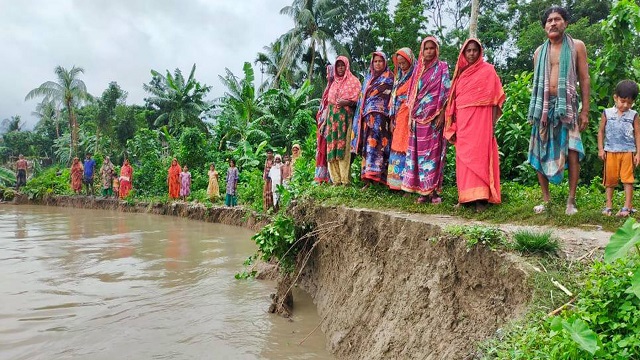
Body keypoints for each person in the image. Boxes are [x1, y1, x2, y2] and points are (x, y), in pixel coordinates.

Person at [528, 6, 590, 215]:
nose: (553, 23)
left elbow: (584, 78)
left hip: (567, 108)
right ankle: (546, 200)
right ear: (544, 26)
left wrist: (585, 111)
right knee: (539, 152)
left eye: (557, 19)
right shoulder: (538, 52)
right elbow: (538, 83)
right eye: (549, 21)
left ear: (566, 23)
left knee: (572, 151)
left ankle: (570, 201)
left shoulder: (577, 46)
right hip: (543, 109)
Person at [444, 39, 505, 212]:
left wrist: (492, 124)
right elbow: (453, 102)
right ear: (463, 53)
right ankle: (465, 198)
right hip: (463, 120)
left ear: (480, 52)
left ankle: (481, 199)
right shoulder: (460, 74)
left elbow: (495, 100)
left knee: (480, 157)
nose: (471, 54)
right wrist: (452, 124)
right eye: (468, 51)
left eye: (474, 50)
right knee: (463, 158)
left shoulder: (489, 71)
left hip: (482, 120)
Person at [402, 37, 451, 204]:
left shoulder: (443, 68)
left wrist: (442, 114)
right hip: (418, 119)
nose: (429, 51)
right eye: (426, 48)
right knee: (419, 156)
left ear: (436, 49)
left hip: (435, 119)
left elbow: (446, 93)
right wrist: (411, 118)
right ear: (421, 51)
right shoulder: (417, 70)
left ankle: (435, 192)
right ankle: (423, 192)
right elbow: (412, 94)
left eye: (432, 48)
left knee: (435, 155)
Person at [352, 52, 395, 187]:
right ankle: (368, 179)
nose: (378, 64)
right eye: (375, 62)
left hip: (382, 121)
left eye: (380, 61)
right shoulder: (368, 79)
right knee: (368, 148)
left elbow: (393, 99)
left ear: (385, 63)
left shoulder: (390, 78)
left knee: (381, 147)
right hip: (367, 121)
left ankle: (380, 179)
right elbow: (361, 100)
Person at [598, 80, 640, 217]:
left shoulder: (633, 115)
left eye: (629, 102)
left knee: (628, 180)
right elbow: (601, 131)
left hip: (628, 151)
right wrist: (600, 148)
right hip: (610, 151)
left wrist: (638, 153)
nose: (625, 105)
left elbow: (637, 134)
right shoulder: (607, 113)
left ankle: (627, 207)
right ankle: (608, 206)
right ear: (615, 97)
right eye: (622, 101)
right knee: (610, 181)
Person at [326, 56, 361, 186]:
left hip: (345, 120)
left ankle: (345, 180)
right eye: (338, 65)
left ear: (347, 66)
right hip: (332, 121)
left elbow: (359, 100)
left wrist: (347, 102)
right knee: (332, 149)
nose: (340, 68)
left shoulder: (354, 81)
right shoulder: (333, 83)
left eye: (342, 65)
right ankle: (336, 180)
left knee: (344, 149)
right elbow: (329, 103)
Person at [386, 47, 416, 190]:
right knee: (396, 146)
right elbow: (393, 98)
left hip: (409, 116)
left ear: (410, 61)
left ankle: (407, 184)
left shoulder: (415, 77)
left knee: (407, 147)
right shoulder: (398, 78)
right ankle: (395, 183)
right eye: (399, 63)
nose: (402, 66)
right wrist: (392, 119)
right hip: (397, 117)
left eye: (404, 63)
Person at [315, 65, 334, 184]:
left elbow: (329, 106)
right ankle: (321, 178)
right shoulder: (327, 87)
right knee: (321, 149)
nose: (328, 76)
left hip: (328, 123)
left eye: (329, 73)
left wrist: (324, 122)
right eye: (327, 74)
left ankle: (329, 177)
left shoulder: (334, 87)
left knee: (326, 148)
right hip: (322, 123)